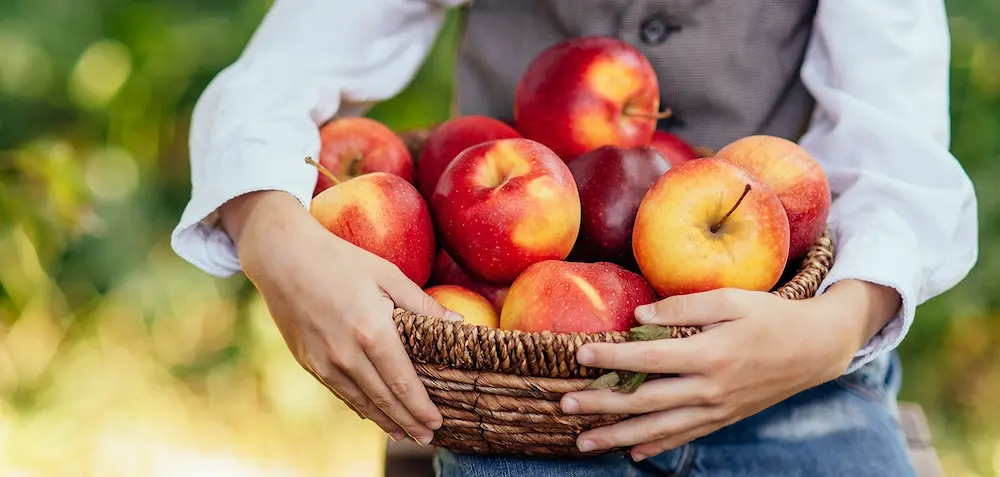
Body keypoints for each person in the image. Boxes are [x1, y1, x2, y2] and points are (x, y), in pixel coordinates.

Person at [171, 0, 978, 475]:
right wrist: (269, 228)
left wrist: (829, 331)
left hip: (784, 351)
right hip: (509, 376)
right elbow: (290, 60)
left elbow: (895, 145)